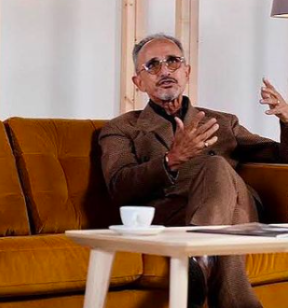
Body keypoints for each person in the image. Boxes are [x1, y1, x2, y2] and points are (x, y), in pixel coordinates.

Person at [99, 33, 288, 308]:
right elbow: (119, 187)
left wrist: (286, 118)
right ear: (138, 82)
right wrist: (171, 160)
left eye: (173, 61)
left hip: (241, 205)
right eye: (152, 65)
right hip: (174, 217)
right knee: (226, 220)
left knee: (216, 166)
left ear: (186, 71)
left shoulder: (222, 122)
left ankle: (197, 260)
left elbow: (280, 158)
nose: (165, 70)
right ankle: (202, 262)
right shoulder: (121, 129)